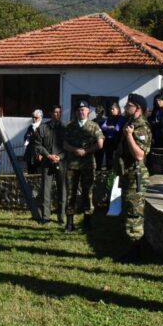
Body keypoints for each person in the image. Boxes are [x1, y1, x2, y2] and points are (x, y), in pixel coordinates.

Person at [113, 94, 152, 262]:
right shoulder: (130, 124)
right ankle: (132, 248)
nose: (125, 107)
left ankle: (137, 253)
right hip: (127, 174)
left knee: (135, 214)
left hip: (137, 175)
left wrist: (129, 136)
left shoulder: (141, 127)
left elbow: (139, 155)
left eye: (129, 105)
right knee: (129, 210)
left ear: (138, 108)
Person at [62, 100, 103, 233]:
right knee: (71, 193)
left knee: (87, 193)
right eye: (79, 110)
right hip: (72, 165)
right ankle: (69, 224)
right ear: (75, 112)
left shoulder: (94, 126)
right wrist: (75, 150)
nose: (81, 112)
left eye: (84, 109)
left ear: (88, 111)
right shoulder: (70, 126)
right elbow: (64, 144)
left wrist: (86, 151)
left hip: (88, 164)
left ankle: (87, 222)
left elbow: (100, 143)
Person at [34, 105, 66, 223]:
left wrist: (60, 156)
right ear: (51, 113)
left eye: (59, 112)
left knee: (62, 190)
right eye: (55, 112)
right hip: (47, 163)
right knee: (46, 191)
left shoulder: (65, 128)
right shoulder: (42, 128)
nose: (57, 114)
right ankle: (46, 216)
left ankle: (61, 217)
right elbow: (37, 144)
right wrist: (48, 155)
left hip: (61, 162)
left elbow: (68, 145)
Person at [99, 102, 125, 168]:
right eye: (111, 109)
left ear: (118, 109)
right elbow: (103, 127)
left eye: (113, 109)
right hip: (108, 141)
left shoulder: (121, 118)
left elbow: (117, 129)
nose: (111, 110)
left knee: (117, 160)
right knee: (108, 159)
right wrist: (110, 127)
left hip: (117, 142)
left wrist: (109, 127)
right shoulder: (109, 118)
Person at [22, 110, 43, 174]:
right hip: (30, 154)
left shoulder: (43, 127)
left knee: (38, 174)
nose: (34, 119)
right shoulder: (30, 127)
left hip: (38, 155)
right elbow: (26, 137)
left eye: (36, 117)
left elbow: (44, 142)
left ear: (40, 118)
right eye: (32, 117)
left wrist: (41, 154)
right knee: (30, 172)